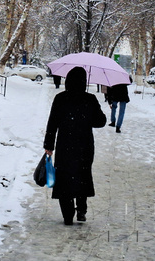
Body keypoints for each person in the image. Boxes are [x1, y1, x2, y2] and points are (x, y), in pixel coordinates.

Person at [43, 67, 107, 225]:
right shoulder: (90, 99)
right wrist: (89, 116)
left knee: (64, 177)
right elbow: (101, 122)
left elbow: (52, 124)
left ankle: (67, 214)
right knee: (82, 175)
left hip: (65, 145)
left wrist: (49, 145)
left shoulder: (60, 98)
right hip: (84, 146)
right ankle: (81, 210)